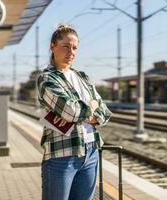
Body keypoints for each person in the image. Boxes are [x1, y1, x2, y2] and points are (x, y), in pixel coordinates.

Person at [37, 24, 112, 200]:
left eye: (74, 47)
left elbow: (105, 112)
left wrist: (88, 113)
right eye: (65, 46)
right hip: (61, 156)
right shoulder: (47, 78)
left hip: (91, 151)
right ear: (52, 46)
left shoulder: (83, 77)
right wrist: (91, 106)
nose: (71, 52)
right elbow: (71, 111)